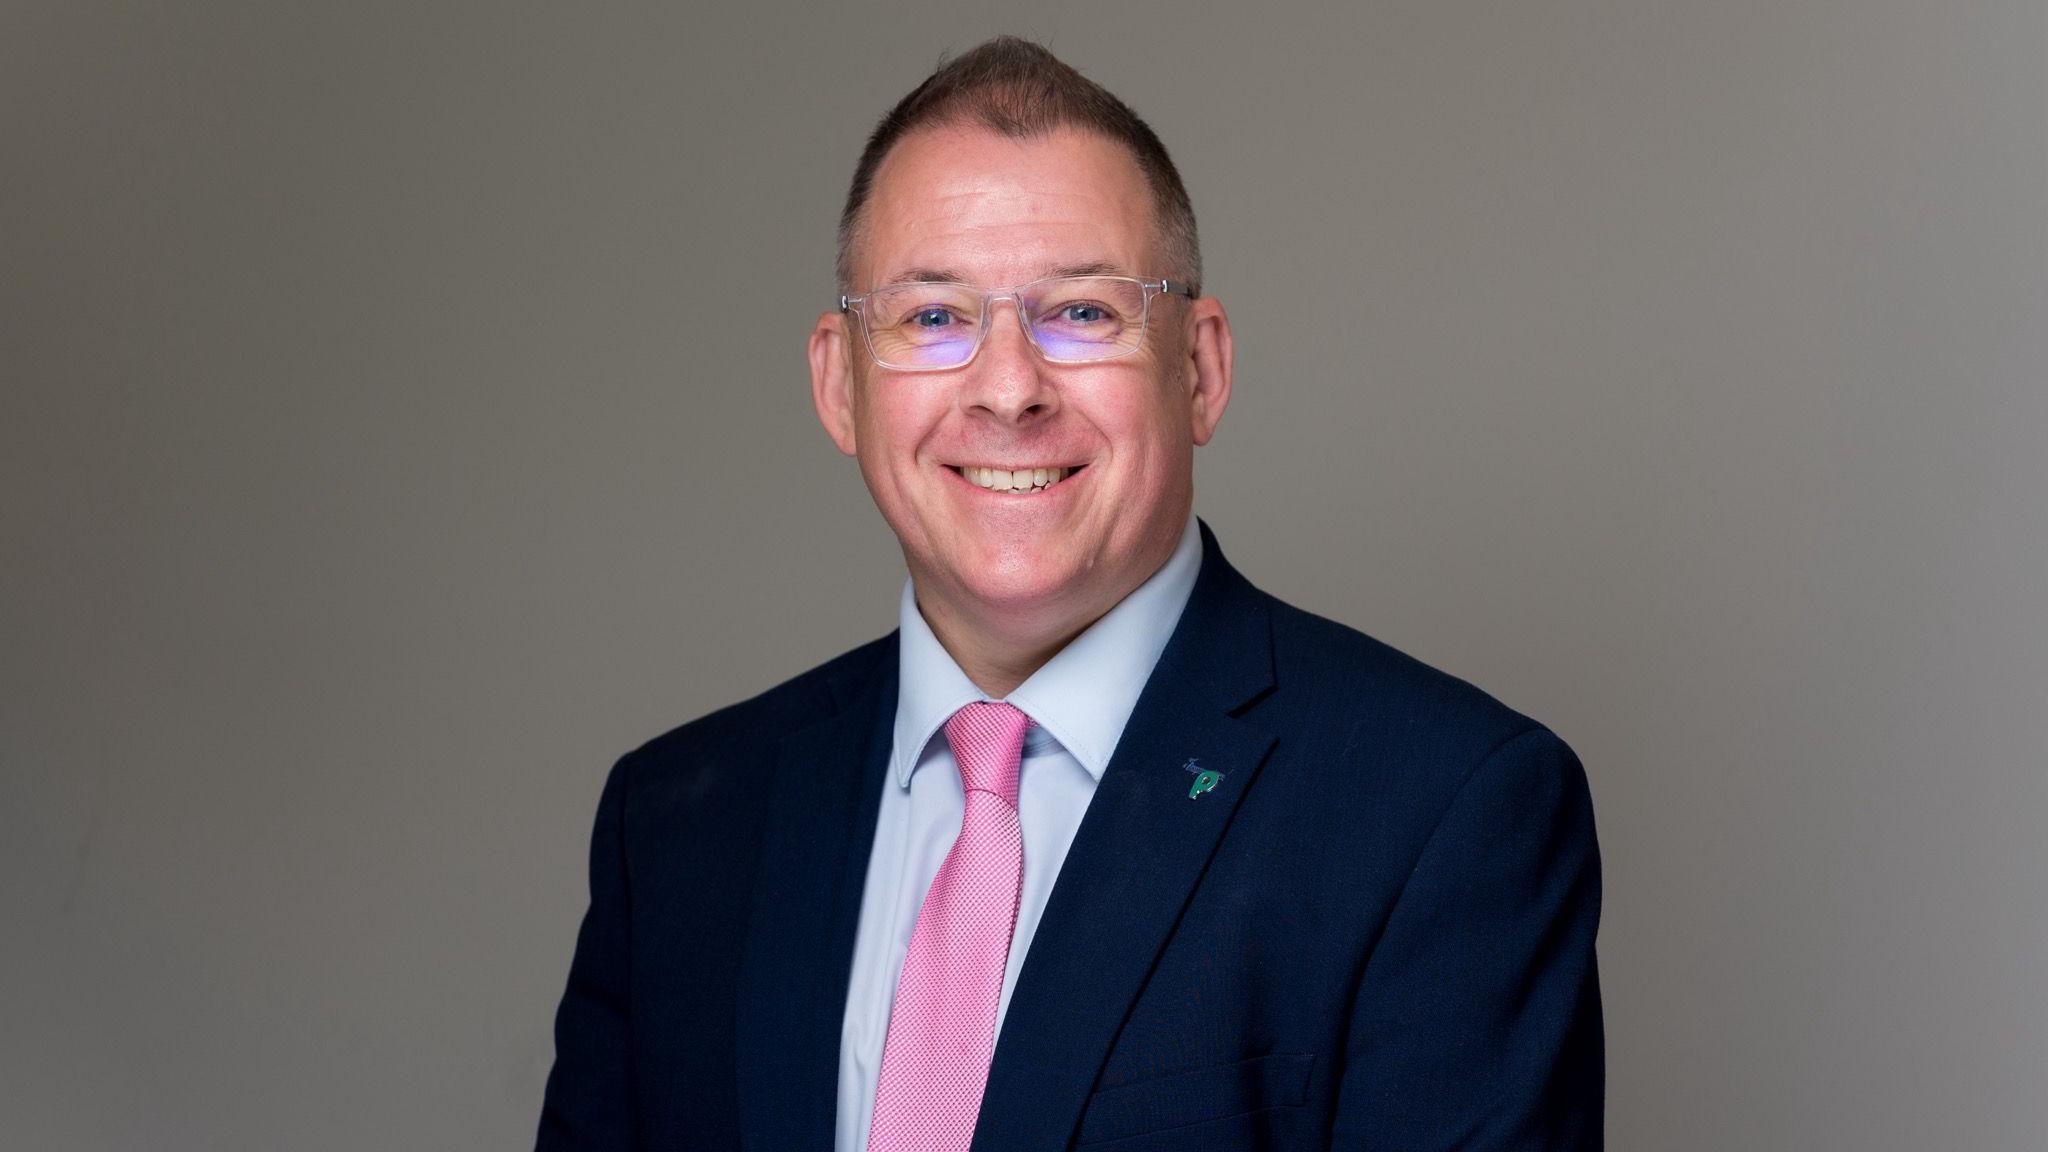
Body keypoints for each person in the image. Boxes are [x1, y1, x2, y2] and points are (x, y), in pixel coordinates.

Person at [537, 35, 1602, 1152]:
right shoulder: (676, 827)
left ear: (1197, 367)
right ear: (837, 384)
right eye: (933, 318)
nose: (1007, 389)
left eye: (1082, 312)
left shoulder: (1440, 811)